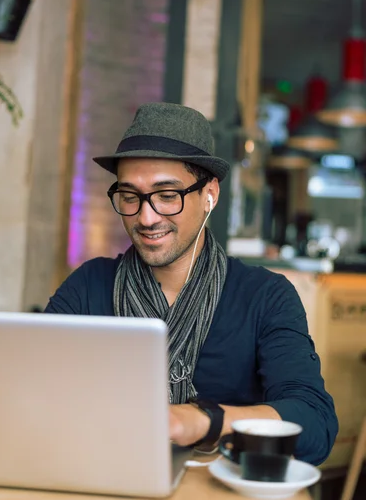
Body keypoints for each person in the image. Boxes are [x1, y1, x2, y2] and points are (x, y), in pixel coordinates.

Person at [45, 102, 338, 465]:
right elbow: (37, 394)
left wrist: (203, 421)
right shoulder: (88, 286)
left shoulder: (265, 296)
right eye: (130, 196)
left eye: (168, 196)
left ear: (209, 195)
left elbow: (314, 422)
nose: (146, 216)